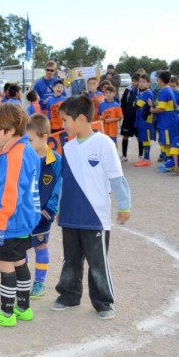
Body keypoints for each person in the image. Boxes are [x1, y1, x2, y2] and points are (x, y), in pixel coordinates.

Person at [51, 96, 131, 320]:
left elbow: (117, 177)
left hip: (95, 216)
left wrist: (124, 205)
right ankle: (68, 295)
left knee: (97, 262)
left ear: (81, 118)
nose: (63, 125)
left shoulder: (104, 143)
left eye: (65, 120)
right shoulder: (67, 147)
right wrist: (59, 208)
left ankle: (103, 302)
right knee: (71, 259)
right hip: (69, 215)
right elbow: (64, 181)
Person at [0, 104, 40, 327]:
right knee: (19, 260)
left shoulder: (16, 153)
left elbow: (10, 192)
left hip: (11, 222)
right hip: (23, 220)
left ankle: (6, 313)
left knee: (6, 263)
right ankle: (23, 308)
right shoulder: (25, 150)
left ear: (10, 130)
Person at [26, 113, 62, 299]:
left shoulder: (55, 160)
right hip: (24, 214)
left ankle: (39, 282)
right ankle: (21, 281)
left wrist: (50, 210)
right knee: (20, 247)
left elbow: (58, 187)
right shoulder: (25, 157)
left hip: (42, 215)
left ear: (44, 136)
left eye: (30, 139)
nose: (27, 143)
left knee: (41, 246)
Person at [150, 70, 177, 164]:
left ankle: (170, 161)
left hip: (167, 121)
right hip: (168, 120)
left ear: (159, 80)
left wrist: (152, 110)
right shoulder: (168, 90)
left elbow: (161, 109)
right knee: (163, 141)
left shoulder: (164, 92)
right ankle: (168, 160)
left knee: (167, 142)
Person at [133, 74, 154, 166]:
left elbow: (137, 105)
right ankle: (145, 158)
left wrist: (135, 103)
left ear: (148, 83)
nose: (141, 84)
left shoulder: (148, 93)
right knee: (143, 138)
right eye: (140, 82)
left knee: (146, 139)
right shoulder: (139, 92)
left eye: (144, 82)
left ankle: (146, 159)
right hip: (140, 119)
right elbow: (134, 104)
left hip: (146, 120)